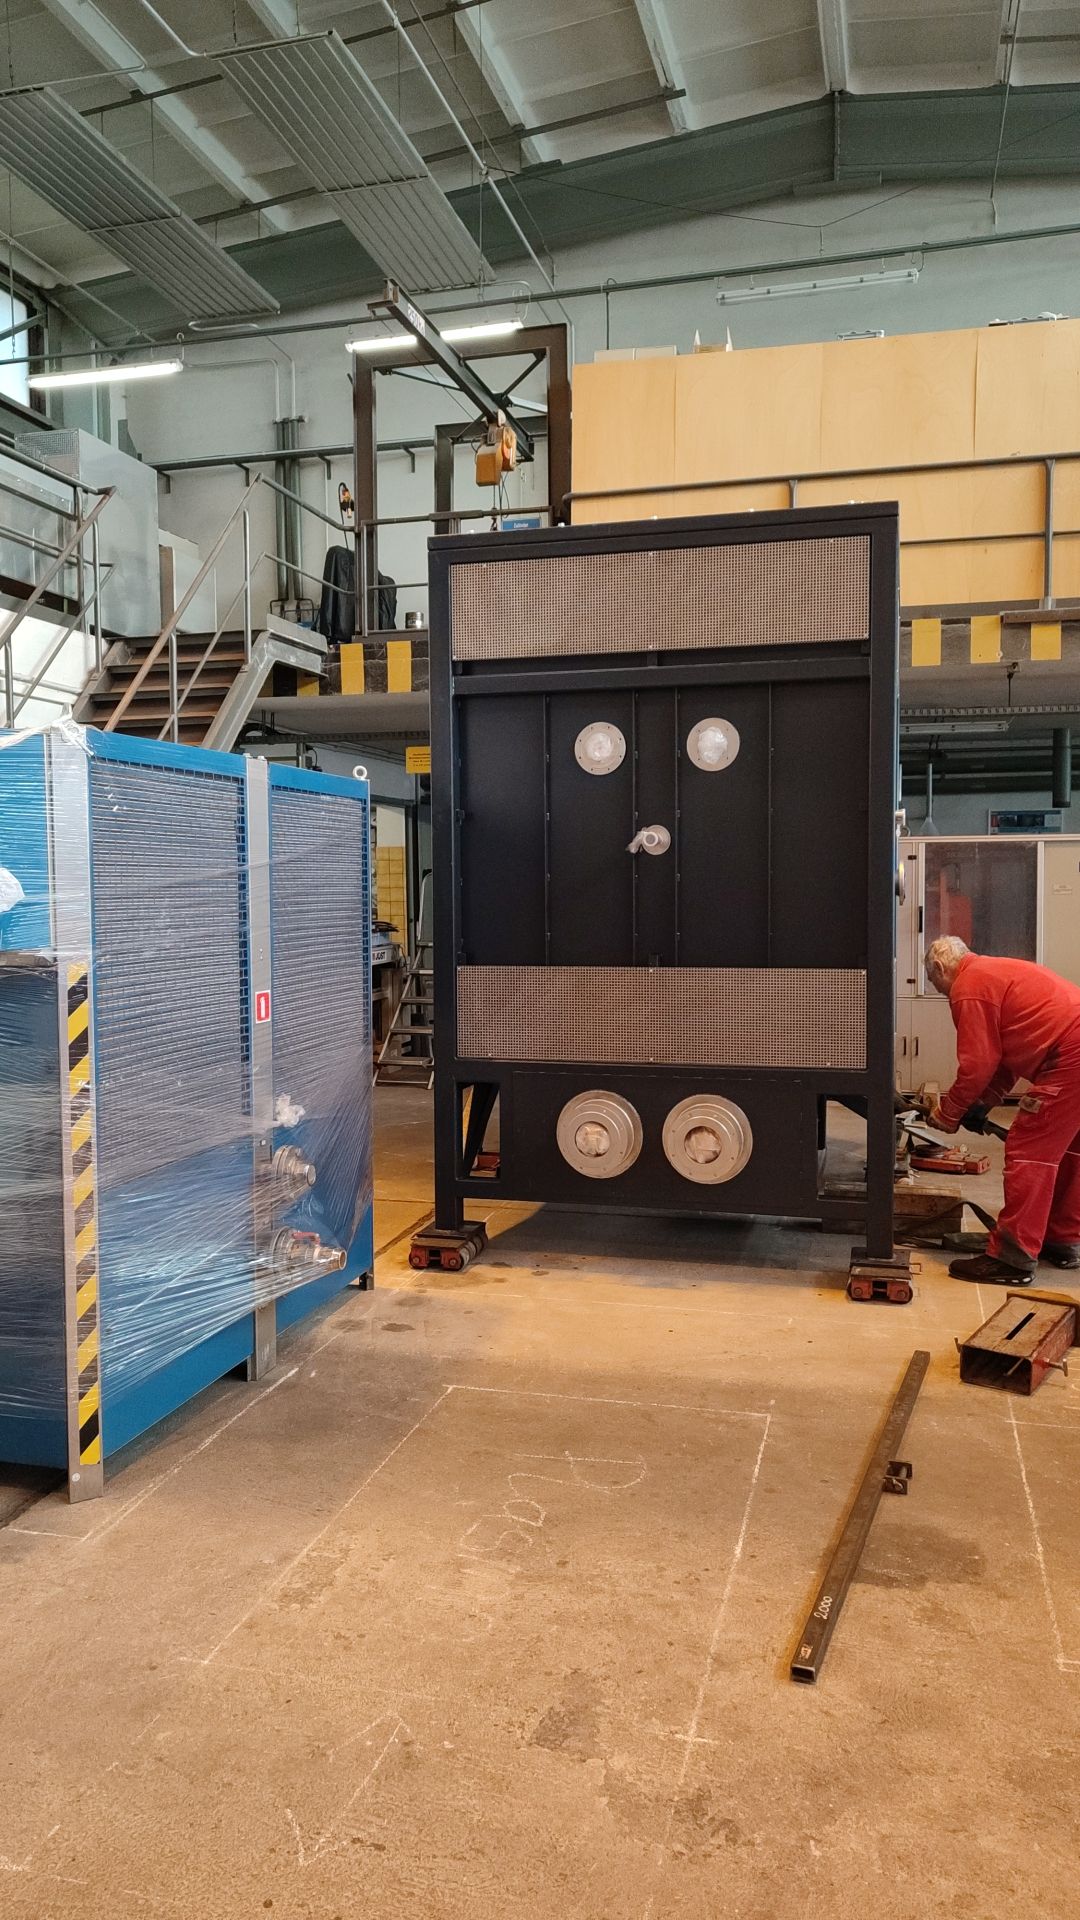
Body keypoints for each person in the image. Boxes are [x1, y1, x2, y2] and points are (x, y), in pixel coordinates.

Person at [924, 935, 1080, 1283]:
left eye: (936, 985)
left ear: (938, 967)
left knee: (1029, 1150)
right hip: (1073, 1047)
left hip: (1071, 1056)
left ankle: (1012, 1260)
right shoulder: (994, 972)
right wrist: (984, 1102)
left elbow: (977, 1063)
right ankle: (1062, 1239)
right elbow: (1005, 1057)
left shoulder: (968, 986)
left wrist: (949, 1113)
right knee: (1070, 1151)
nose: (943, 994)